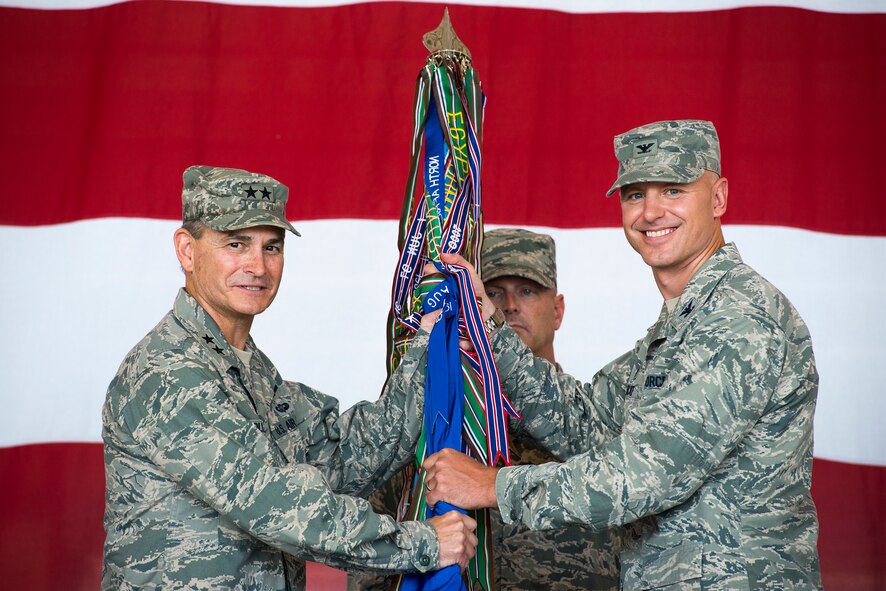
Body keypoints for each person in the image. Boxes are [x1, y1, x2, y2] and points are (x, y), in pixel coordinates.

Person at [422, 120, 822, 589]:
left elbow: (645, 472)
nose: (651, 212)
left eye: (673, 190)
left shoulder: (739, 318)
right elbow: (585, 422)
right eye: (635, 194)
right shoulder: (679, 324)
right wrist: (490, 328)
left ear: (718, 199)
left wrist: (490, 487)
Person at [102, 165, 477, 590]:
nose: (257, 266)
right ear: (187, 251)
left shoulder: (253, 370)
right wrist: (423, 544)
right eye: (236, 244)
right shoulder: (166, 371)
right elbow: (277, 505)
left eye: (272, 247)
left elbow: (347, 458)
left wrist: (431, 339)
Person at [481, 228, 618, 591]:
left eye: (526, 291)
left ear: (557, 311)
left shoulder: (596, 419)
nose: (509, 306)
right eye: (493, 293)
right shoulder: (444, 423)